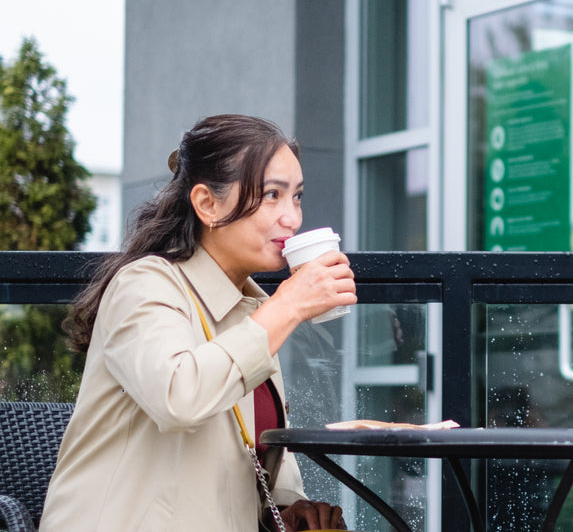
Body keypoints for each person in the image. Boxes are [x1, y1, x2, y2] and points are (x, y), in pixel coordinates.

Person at [40, 115, 355, 531]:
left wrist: (290, 509)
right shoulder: (145, 284)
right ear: (207, 203)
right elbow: (180, 396)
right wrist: (289, 306)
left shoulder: (255, 311)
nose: (292, 218)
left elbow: (250, 462)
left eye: (296, 197)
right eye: (271, 195)